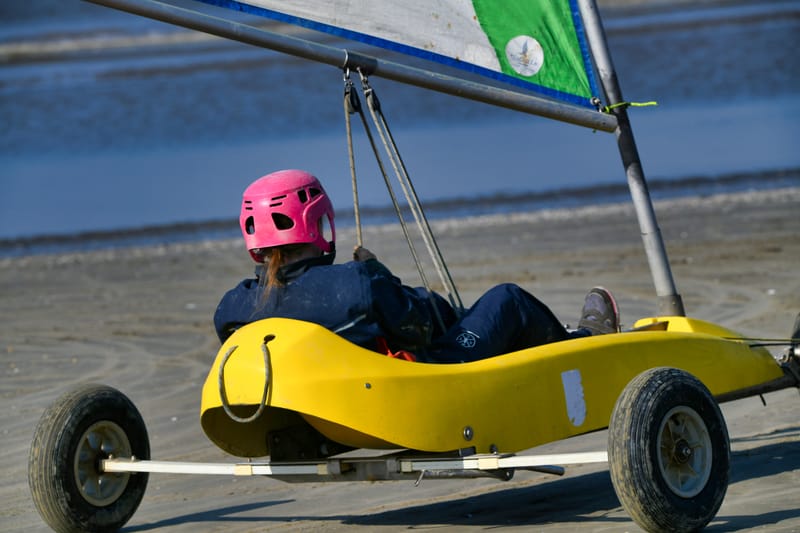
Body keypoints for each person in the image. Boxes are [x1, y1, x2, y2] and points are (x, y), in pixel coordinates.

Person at [214, 169, 620, 363]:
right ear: (317, 223)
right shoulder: (355, 282)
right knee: (506, 299)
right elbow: (419, 328)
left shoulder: (232, 307)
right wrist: (379, 273)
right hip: (416, 387)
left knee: (459, 315)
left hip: (319, 403)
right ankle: (584, 345)